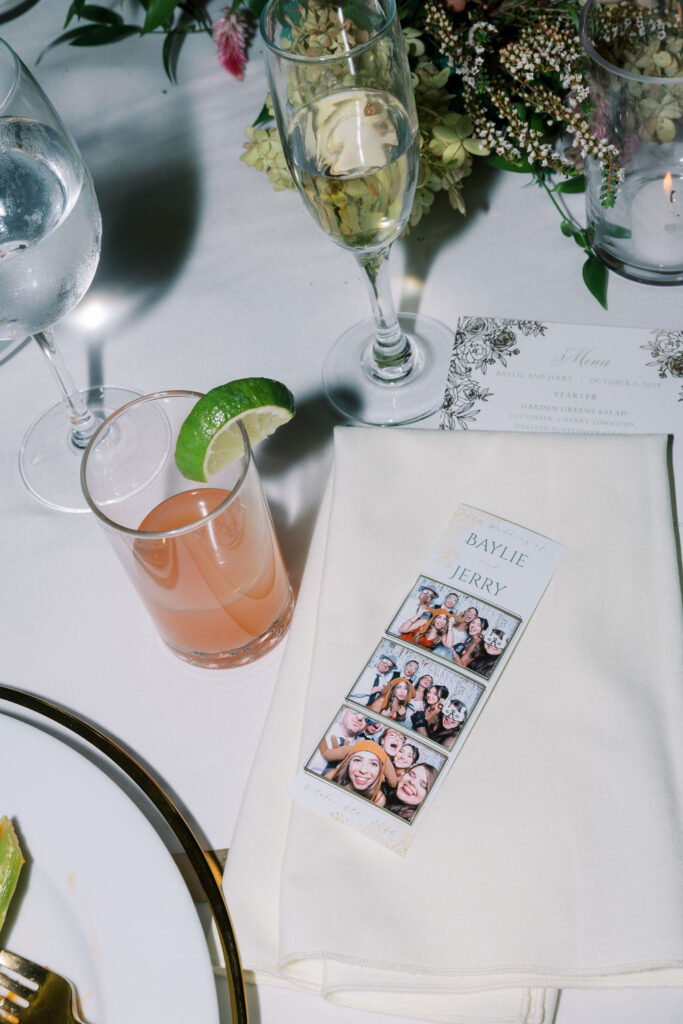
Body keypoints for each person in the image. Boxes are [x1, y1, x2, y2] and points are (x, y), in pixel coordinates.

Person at [327, 740, 388, 806]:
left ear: (380, 770)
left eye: (373, 764)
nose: (363, 770)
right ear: (348, 762)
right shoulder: (331, 776)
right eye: (357, 760)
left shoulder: (378, 800)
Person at [307, 707, 367, 774]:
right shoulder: (319, 728)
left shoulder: (362, 749)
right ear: (344, 711)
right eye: (355, 711)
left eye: (366, 717)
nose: (360, 717)